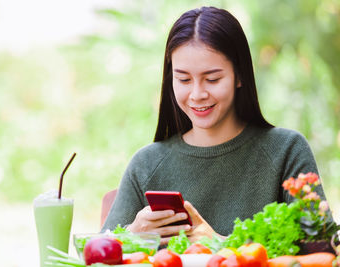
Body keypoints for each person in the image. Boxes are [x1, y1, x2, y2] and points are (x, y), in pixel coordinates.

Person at [101, 6, 327, 244]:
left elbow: (322, 251)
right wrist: (132, 236)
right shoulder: (146, 165)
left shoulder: (286, 151)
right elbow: (96, 252)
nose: (197, 94)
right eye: (184, 79)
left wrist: (218, 244)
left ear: (239, 75)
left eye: (212, 79)